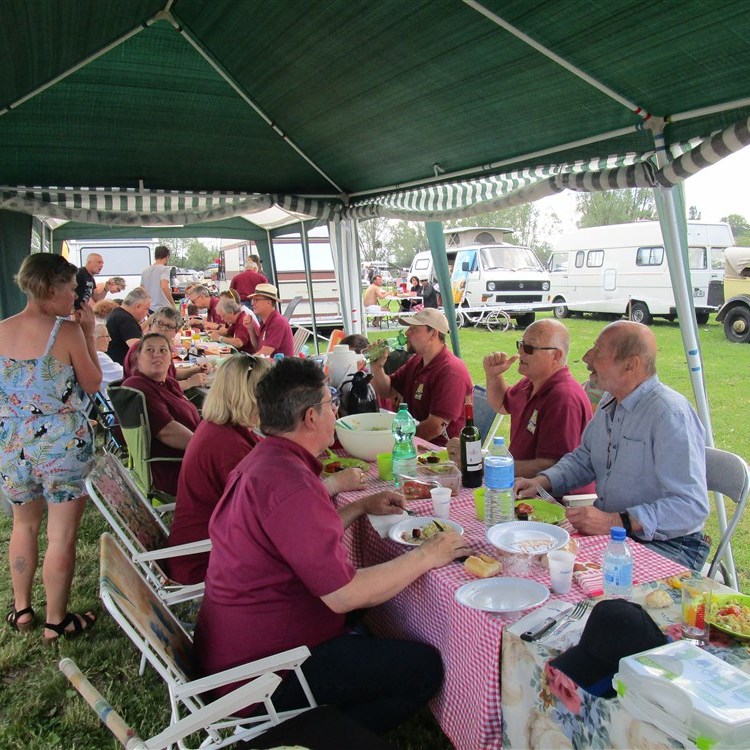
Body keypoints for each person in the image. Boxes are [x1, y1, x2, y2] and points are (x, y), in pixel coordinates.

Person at [193, 358, 468, 733]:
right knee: (424, 668)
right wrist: (428, 555)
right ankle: (313, 737)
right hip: (263, 675)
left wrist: (359, 507)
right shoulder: (289, 482)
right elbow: (344, 595)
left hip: (241, 645)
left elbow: (297, 541)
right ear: (310, 417)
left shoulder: (266, 461)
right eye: (330, 404)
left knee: (378, 600)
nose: (335, 412)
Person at [515, 321, 710, 570]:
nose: (587, 358)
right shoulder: (611, 400)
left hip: (669, 544)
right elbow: (585, 458)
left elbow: (691, 506)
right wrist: (541, 482)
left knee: (581, 578)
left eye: (598, 352)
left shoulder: (669, 414)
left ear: (630, 365)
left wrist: (614, 521)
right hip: (617, 534)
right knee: (535, 558)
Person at [0, 253, 100, 640]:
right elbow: (92, 383)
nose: (75, 296)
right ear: (51, 287)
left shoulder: (1, 329)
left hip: (12, 443)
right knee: (60, 536)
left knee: (23, 525)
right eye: (72, 289)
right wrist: (88, 333)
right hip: (62, 444)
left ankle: (22, 609)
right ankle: (56, 622)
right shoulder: (67, 332)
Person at [166, 354, 272, 584]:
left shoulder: (221, 427)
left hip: (203, 546)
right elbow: (265, 512)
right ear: (251, 396)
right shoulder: (228, 445)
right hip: (206, 560)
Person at [476, 319, 594, 484]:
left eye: (529, 348)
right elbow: (501, 404)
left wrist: (486, 466)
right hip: (520, 485)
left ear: (556, 355)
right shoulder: (530, 382)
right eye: (521, 345)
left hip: (551, 495)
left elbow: (552, 466)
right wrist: (493, 375)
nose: (521, 352)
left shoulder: (563, 397)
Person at [370, 308, 472, 446]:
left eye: (414, 329)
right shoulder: (417, 360)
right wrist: (377, 368)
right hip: (416, 444)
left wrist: (397, 441)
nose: (407, 333)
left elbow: (434, 427)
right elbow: (387, 391)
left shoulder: (451, 371)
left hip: (441, 451)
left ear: (433, 334)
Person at [122, 333, 201, 496]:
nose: (157, 354)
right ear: (138, 358)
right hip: (176, 468)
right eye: (150, 350)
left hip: (194, 457)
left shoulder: (169, 383)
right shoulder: (137, 386)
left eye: (163, 350)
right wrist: (208, 448)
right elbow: (167, 431)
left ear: (170, 359)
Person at [122, 307, 208, 391]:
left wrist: (196, 370)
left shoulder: (163, 348)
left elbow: (172, 374)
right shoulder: (142, 349)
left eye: (169, 326)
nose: (163, 329)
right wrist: (190, 382)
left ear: (175, 332)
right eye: (160, 323)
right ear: (152, 324)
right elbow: (155, 387)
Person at [244, 283, 294, 357]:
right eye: (252, 300)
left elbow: (265, 353)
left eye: (256, 300)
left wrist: (244, 361)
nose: (252, 303)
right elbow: (258, 348)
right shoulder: (266, 321)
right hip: (270, 363)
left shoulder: (278, 322)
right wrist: (250, 329)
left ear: (268, 302)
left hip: (278, 364)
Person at [106, 287, 151, 365]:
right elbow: (138, 348)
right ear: (138, 306)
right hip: (122, 366)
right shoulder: (126, 319)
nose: (147, 313)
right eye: (146, 309)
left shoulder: (117, 313)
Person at [140, 245, 174, 311]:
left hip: (150, 307)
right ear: (167, 257)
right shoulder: (164, 269)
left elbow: (142, 289)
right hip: (163, 307)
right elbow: (164, 287)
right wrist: (172, 304)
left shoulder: (145, 271)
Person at [94, 322, 123, 386]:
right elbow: (124, 374)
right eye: (107, 336)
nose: (110, 339)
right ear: (95, 338)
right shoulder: (98, 356)